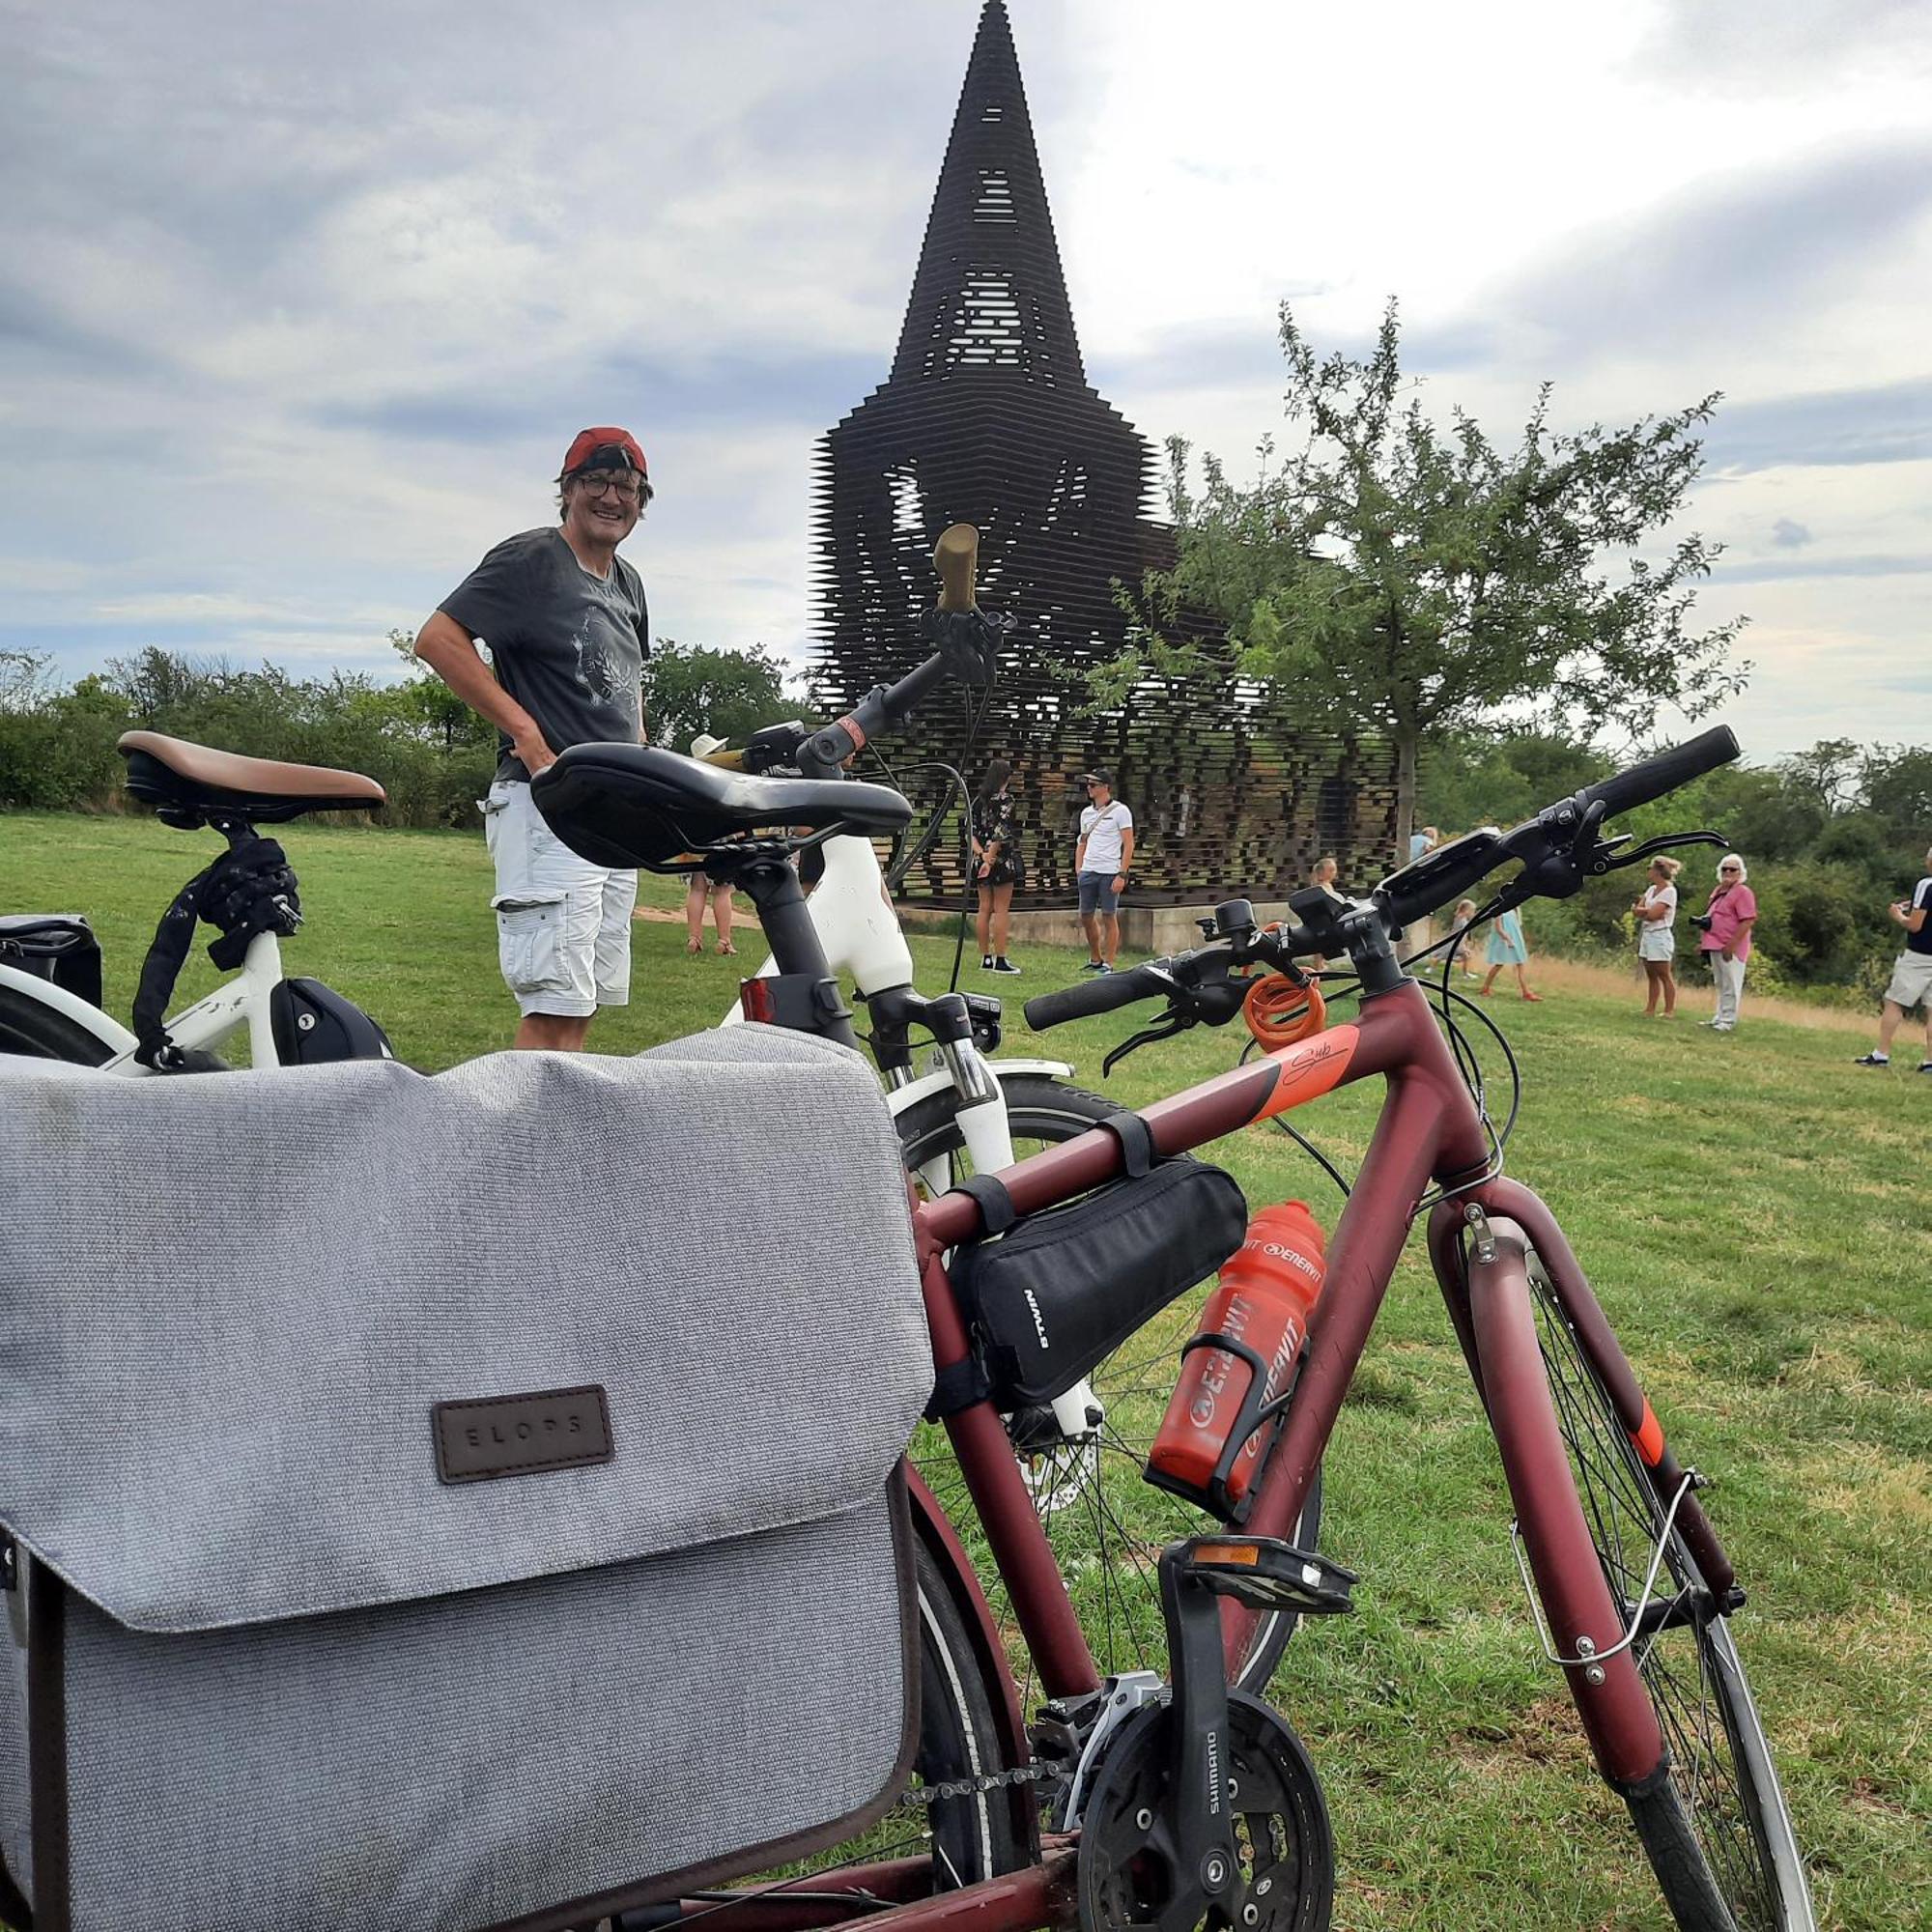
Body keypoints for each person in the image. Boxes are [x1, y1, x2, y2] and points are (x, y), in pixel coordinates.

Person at [414, 427, 652, 1050]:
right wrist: (526, 733)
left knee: (582, 1002)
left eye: (626, 486)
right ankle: (517, 1146)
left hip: (611, 816)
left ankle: (554, 1137)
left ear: (641, 500)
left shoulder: (628, 582)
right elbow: (438, 640)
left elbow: (629, 690)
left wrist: (648, 778)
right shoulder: (532, 559)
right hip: (551, 806)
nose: (611, 497)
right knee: (552, 1005)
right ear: (568, 491)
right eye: (595, 482)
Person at [1853, 840, 1932, 1072]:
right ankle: (1929, 1062)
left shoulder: (1926, 884)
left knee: (1894, 1001)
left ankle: (1882, 1053)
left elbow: (1915, 925)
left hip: (1919, 955)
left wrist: (1897, 915)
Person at [683, 732, 737, 956]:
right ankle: (724, 941)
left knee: (697, 889)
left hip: (695, 837)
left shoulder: (690, 781)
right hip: (719, 836)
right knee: (722, 890)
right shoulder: (720, 779)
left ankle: (694, 938)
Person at [1075, 769, 1134, 974]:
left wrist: (1122, 873)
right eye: (1088, 785)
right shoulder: (1086, 813)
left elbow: (1128, 843)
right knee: (1086, 915)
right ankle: (1095, 958)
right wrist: (1079, 869)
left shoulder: (1120, 811)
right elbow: (1082, 841)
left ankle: (1109, 962)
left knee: (1109, 915)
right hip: (1089, 869)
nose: (1089, 788)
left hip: (1109, 870)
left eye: (1093, 785)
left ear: (1105, 787)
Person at [971, 757, 1023, 975]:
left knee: (984, 908)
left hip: (979, 856)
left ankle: (985, 958)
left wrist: (981, 854)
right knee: (1001, 909)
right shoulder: (1007, 800)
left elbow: (970, 832)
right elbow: (1001, 832)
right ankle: (1000, 958)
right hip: (1000, 860)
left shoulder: (978, 801)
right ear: (1006, 778)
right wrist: (991, 858)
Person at [1696, 853, 1756, 1034]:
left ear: (1740, 873)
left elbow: (1748, 920)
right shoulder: (1719, 891)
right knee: (1720, 982)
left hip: (1730, 946)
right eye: (1725, 869)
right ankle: (1719, 1016)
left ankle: (1728, 1020)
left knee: (1731, 983)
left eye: (1733, 869)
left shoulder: (1743, 892)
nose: (1728, 872)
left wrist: (1732, 944)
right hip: (1714, 942)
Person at [1634, 855, 1684, 1017]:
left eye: (1650, 868)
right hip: (1648, 934)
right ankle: (1650, 1008)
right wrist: (1645, 911)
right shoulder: (1651, 890)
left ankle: (1669, 1010)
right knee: (1651, 974)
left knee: (1664, 974)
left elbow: (1654, 914)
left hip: (1660, 936)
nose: (1648, 871)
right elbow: (1638, 910)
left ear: (1658, 871)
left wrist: (1645, 912)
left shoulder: (1669, 891)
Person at [1479, 906, 1542, 1001]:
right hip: (1505, 942)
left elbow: (1517, 925)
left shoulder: (1513, 910)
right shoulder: (1499, 910)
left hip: (1515, 940)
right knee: (1499, 964)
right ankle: (1485, 988)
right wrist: (1508, 940)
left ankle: (1526, 992)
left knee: (1519, 964)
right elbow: (1498, 928)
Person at [1448, 897, 1481, 978]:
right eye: (1471, 910)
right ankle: (1465, 973)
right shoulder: (1459, 917)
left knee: (1466, 956)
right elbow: (1457, 930)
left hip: (1461, 941)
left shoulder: (1464, 918)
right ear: (1466, 909)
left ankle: (1465, 973)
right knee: (1465, 956)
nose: (1472, 912)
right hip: (1456, 941)